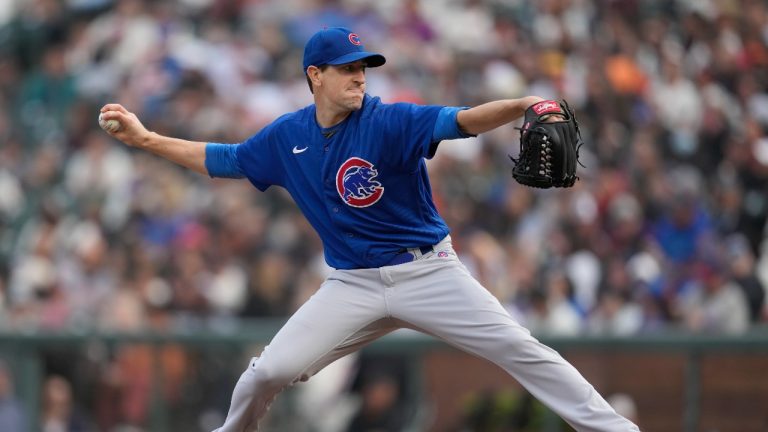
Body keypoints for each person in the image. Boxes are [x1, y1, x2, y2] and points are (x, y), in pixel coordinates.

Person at [100, 27, 640, 432]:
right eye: (347, 68)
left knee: (520, 349)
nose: (360, 76)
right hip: (351, 284)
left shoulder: (388, 120)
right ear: (315, 75)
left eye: (364, 67)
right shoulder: (286, 136)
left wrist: (524, 105)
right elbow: (222, 158)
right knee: (265, 375)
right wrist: (147, 140)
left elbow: (462, 120)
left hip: (428, 272)